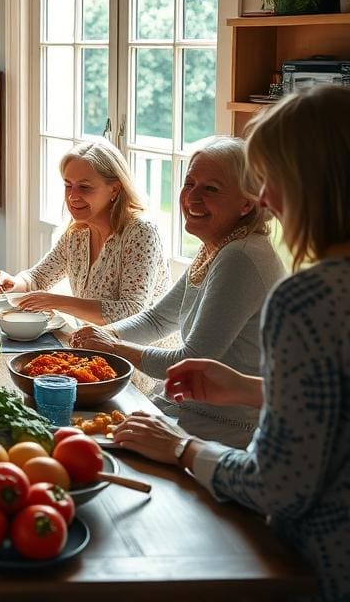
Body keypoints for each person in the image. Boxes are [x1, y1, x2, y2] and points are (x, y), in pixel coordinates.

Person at [112, 85, 350, 602]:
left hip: (321, 568)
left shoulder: (308, 297)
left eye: (273, 178)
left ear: (315, 182)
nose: (265, 199)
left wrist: (179, 448)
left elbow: (277, 485)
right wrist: (251, 388)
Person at [70, 137, 285, 446]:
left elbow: (193, 360)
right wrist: (103, 338)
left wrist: (114, 348)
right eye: (189, 183)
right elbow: (159, 319)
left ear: (246, 203)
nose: (192, 198)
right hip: (185, 410)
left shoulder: (241, 257)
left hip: (222, 430)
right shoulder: (219, 246)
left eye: (211, 189)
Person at [0, 139, 169, 325]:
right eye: (68, 185)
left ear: (114, 189)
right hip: (92, 344)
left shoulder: (140, 232)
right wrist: (13, 282)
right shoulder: (77, 233)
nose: (73, 196)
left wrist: (57, 302)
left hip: (136, 351)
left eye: (84, 187)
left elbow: (132, 311)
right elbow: (37, 278)